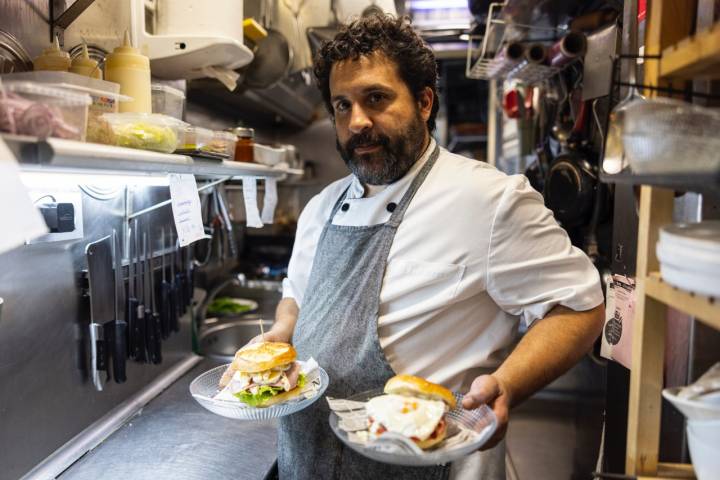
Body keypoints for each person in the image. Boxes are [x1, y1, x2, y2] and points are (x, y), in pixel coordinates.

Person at [256, 13, 605, 480]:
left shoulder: (489, 200)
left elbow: (579, 306)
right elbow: (296, 296)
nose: (356, 121)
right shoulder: (320, 207)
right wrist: (282, 332)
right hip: (308, 462)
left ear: (423, 102)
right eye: (342, 105)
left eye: (375, 98)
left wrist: (507, 385)